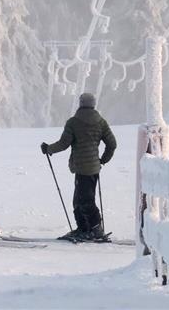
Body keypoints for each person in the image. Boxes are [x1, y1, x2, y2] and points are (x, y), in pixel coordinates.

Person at [41, 92, 116, 240]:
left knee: (84, 201)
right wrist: (103, 160)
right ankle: (83, 228)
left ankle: (95, 229)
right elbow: (112, 144)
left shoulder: (73, 122)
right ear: (93, 104)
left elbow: (63, 144)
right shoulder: (101, 122)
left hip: (81, 168)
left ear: (80, 103)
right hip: (94, 167)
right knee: (80, 199)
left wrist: (48, 149)